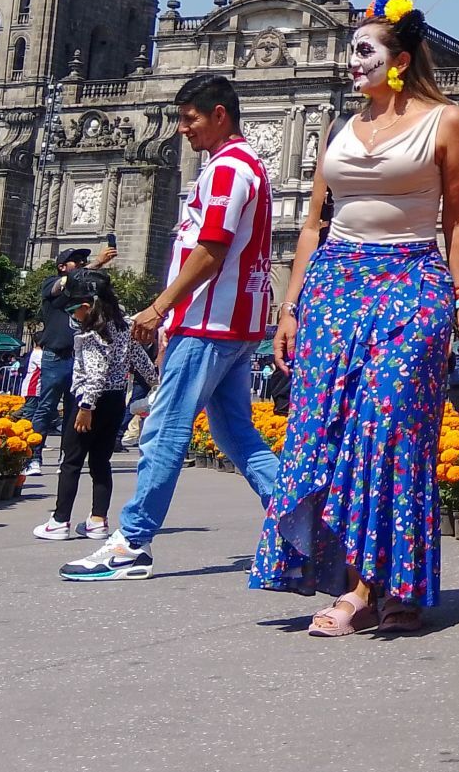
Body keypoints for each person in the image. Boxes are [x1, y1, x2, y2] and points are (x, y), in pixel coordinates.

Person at [251, 0, 459, 635]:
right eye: (349, 51)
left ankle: (386, 588)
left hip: (411, 281)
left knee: (391, 432)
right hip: (334, 284)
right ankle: (354, 583)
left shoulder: (445, 122)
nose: (349, 61)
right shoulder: (338, 129)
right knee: (323, 431)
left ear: (399, 60)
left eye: (363, 51)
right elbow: (312, 226)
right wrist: (291, 309)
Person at [63, 74, 281, 582]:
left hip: (209, 322)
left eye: (191, 119)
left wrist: (159, 308)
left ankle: (132, 543)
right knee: (237, 436)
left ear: (220, 115)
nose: (183, 129)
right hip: (232, 323)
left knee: (163, 430)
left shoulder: (229, 169)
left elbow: (212, 250)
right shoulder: (239, 168)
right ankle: (301, 521)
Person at [34, 270, 157, 541]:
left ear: (87, 306)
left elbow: (96, 371)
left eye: (73, 309)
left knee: (71, 462)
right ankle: (98, 520)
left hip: (89, 403)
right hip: (114, 402)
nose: (72, 316)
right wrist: (154, 384)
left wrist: (86, 406)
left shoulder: (92, 334)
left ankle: (59, 520)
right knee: (101, 462)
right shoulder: (124, 327)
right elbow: (141, 361)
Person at [25, 246, 116, 475]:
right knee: (46, 407)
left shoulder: (84, 291)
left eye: (83, 260)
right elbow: (66, 282)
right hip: (56, 356)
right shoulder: (52, 284)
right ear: (62, 267)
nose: (82, 263)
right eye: (76, 261)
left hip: (79, 358)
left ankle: (67, 456)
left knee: (75, 410)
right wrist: (97, 262)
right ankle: (33, 457)